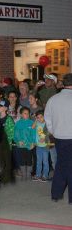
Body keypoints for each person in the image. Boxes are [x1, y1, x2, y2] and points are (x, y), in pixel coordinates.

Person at [44, 73, 72, 204]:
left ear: (63, 84)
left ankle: (56, 193)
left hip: (59, 137)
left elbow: (47, 118)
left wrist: (53, 131)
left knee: (61, 164)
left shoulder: (53, 99)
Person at [0, 101, 15, 183]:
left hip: (6, 144)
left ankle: (7, 177)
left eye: (0, 106)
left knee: (7, 161)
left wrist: (8, 142)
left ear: (6, 108)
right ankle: (1, 176)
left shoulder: (9, 119)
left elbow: (12, 132)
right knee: (0, 160)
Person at [14, 107, 34, 179]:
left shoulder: (31, 123)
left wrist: (33, 142)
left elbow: (33, 133)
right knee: (21, 160)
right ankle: (23, 173)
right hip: (20, 145)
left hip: (29, 145)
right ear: (21, 114)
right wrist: (18, 141)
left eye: (28, 113)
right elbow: (16, 134)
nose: (27, 115)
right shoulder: (18, 123)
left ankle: (28, 173)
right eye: (25, 113)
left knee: (29, 159)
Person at [32, 110, 50, 182]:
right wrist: (36, 120)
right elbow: (32, 127)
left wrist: (44, 138)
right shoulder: (37, 123)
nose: (40, 119)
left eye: (41, 117)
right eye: (38, 117)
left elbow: (49, 133)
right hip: (38, 146)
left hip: (45, 146)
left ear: (44, 117)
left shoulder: (47, 124)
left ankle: (45, 175)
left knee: (45, 161)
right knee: (39, 161)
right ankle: (38, 175)